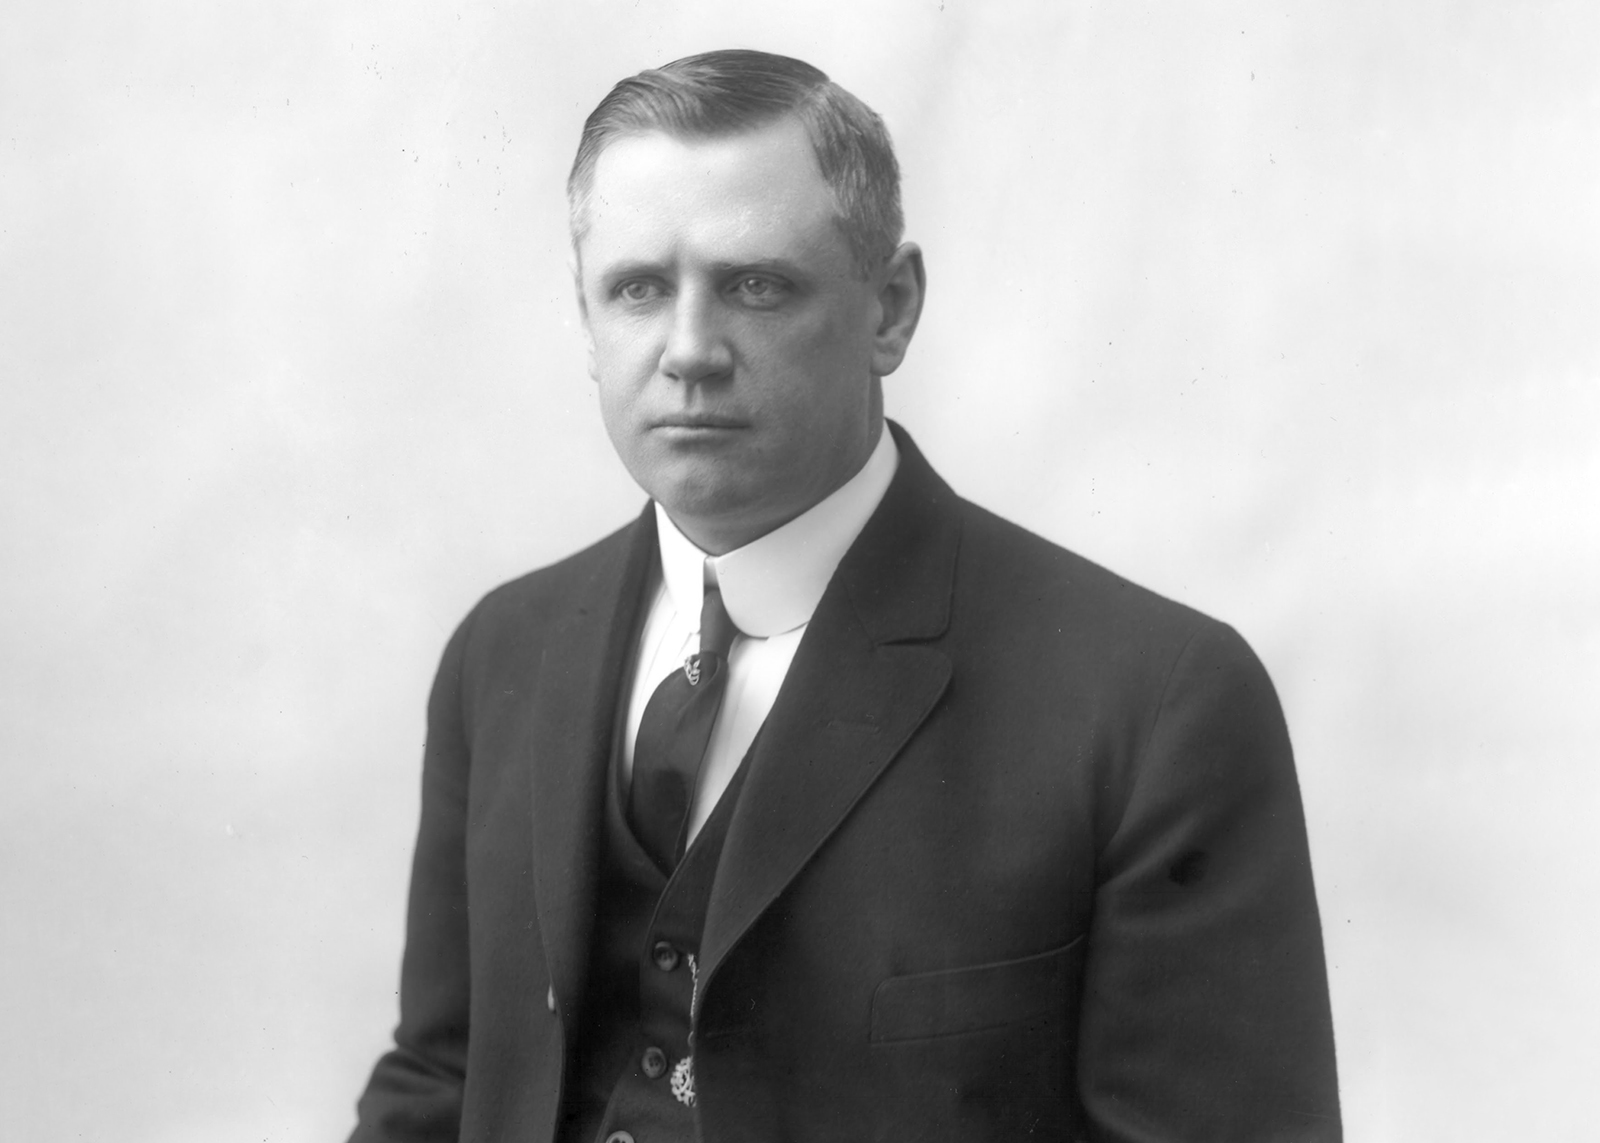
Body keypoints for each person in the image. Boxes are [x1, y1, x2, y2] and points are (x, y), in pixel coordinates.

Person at [349, 49, 1341, 1143]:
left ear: (890, 308)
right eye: (636, 289)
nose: (687, 351)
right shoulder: (506, 651)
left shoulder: (1154, 702)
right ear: (587, 321)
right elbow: (443, 1079)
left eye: (756, 284)